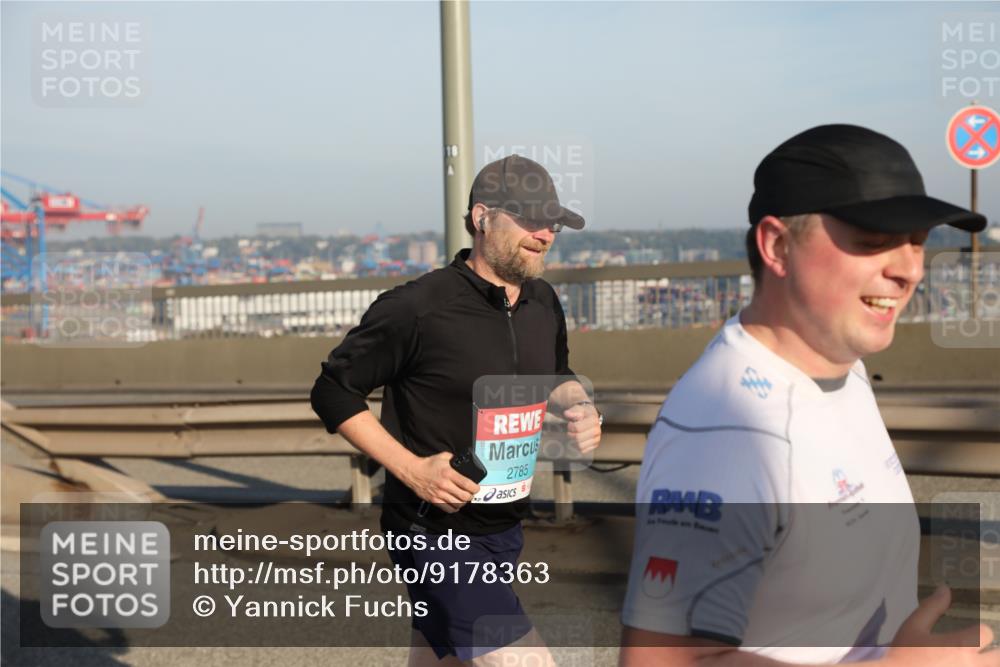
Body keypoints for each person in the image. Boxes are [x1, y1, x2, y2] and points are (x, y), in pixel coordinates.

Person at [619, 124, 995, 666]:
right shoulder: (729, 432)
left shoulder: (841, 360)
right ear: (777, 246)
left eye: (918, 240)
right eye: (873, 240)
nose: (910, 269)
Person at [311, 154, 602, 666]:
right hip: (432, 529)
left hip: (505, 525)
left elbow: (556, 375)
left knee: (438, 657)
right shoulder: (418, 308)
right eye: (529, 220)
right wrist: (413, 470)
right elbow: (333, 390)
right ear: (481, 217)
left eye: (552, 222)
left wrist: (579, 404)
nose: (544, 234)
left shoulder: (543, 302)